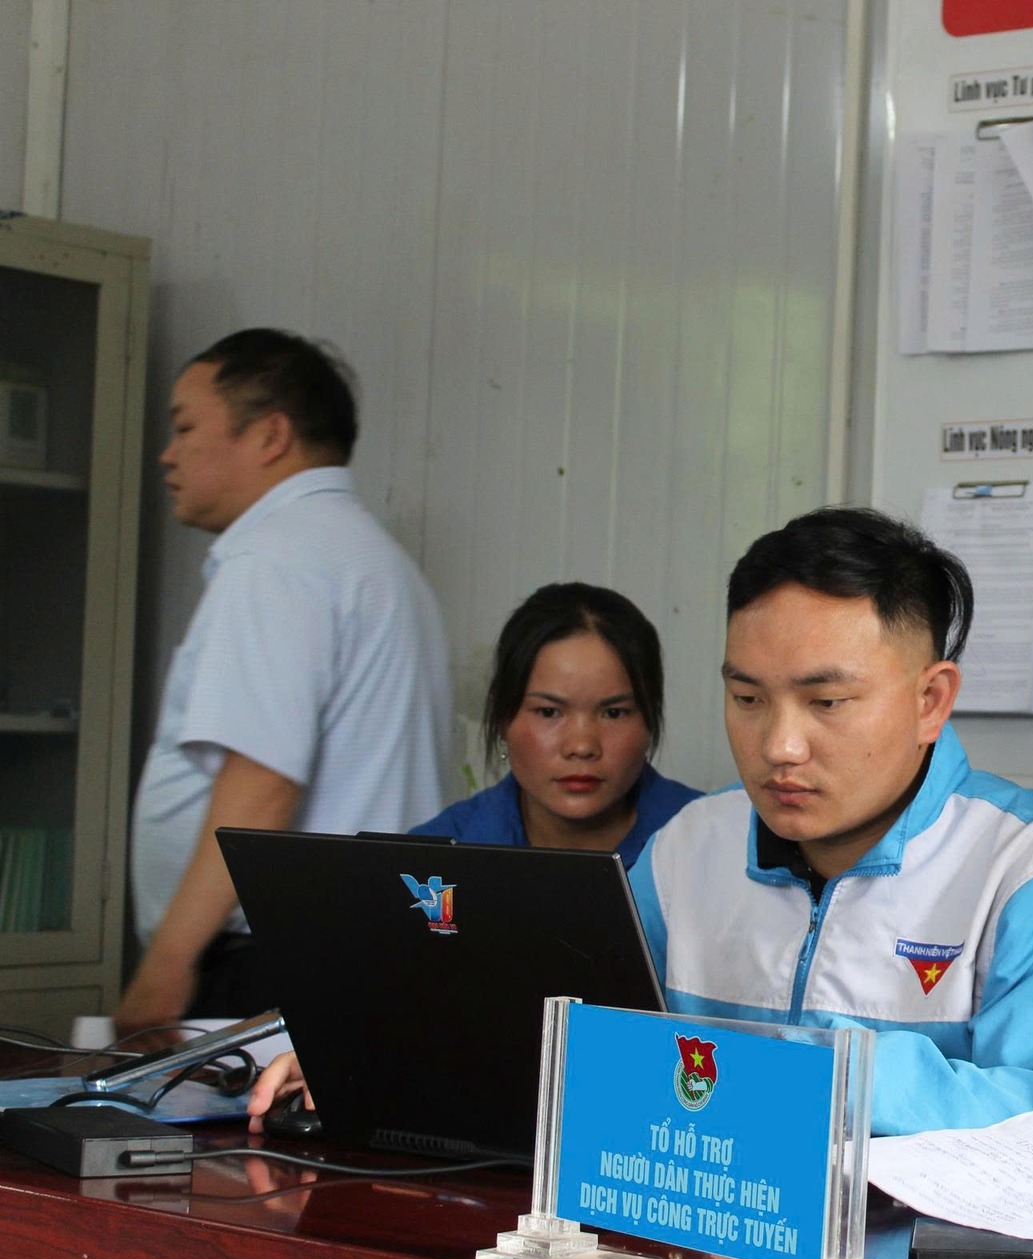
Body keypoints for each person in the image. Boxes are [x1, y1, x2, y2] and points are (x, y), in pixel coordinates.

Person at [631, 506, 1033, 1136]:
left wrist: (826, 1077)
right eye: (747, 699)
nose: (779, 747)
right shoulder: (684, 849)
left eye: (827, 702)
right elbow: (591, 1054)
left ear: (931, 701)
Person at [120, 329, 451, 1036]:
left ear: (271, 436)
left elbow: (261, 782)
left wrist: (165, 966)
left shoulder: (276, 559)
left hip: (269, 961)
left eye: (185, 427)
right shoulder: (374, 559)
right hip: (363, 947)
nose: (168, 454)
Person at [412, 582, 700, 866]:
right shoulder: (430, 860)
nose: (582, 746)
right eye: (549, 712)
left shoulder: (711, 842)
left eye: (614, 713)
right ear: (502, 717)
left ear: (650, 716)